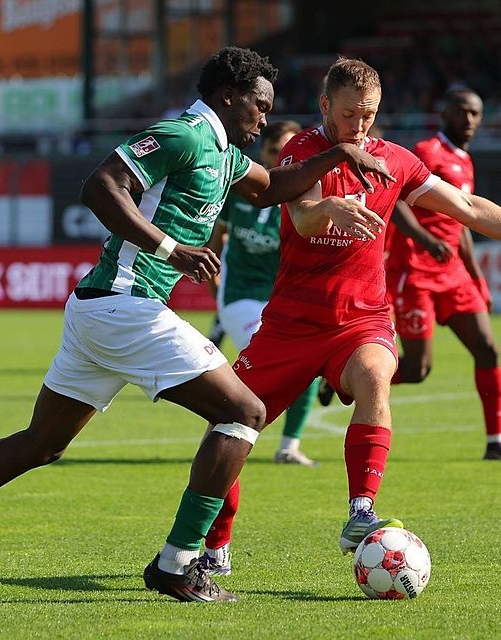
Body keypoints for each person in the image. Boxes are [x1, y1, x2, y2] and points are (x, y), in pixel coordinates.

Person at [0, 46, 395, 600]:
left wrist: (338, 154)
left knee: (41, 443)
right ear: (228, 97)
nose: (264, 120)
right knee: (244, 413)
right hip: (126, 304)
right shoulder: (183, 134)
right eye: (259, 107)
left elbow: (272, 188)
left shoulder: (225, 152)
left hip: (100, 310)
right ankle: (177, 563)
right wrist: (171, 248)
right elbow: (100, 186)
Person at [148, 57, 501, 602]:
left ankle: (360, 512)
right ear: (325, 107)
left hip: (362, 319)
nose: (359, 125)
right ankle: (215, 546)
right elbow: (303, 217)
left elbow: (467, 207)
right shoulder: (301, 152)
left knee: (375, 376)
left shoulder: (395, 160)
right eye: (349, 114)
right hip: (291, 324)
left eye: (368, 115)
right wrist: (330, 210)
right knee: (230, 425)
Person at [198, 120, 318, 578]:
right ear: (265, 151)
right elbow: (216, 239)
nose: (282, 156)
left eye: (290, 151)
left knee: (300, 367)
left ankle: (289, 445)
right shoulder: (241, 189)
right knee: (269, 372)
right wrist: (213, 281)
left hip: (281, 302)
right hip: (240, 299)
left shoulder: (303, 195)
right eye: (275, 149)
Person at [385, 88, 501, 461]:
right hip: (415, 270)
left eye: (475, 113)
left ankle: (495, 443)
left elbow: (463, 221)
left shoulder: (465, 160)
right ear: (445, 112)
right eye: (462, 111)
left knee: (488, 349)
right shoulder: (427, 150)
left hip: (453, 273)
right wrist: (424, 238)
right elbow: (394, 197)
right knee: (417, 369)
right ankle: (346, 380)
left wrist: (477, 278)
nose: (469, 120)